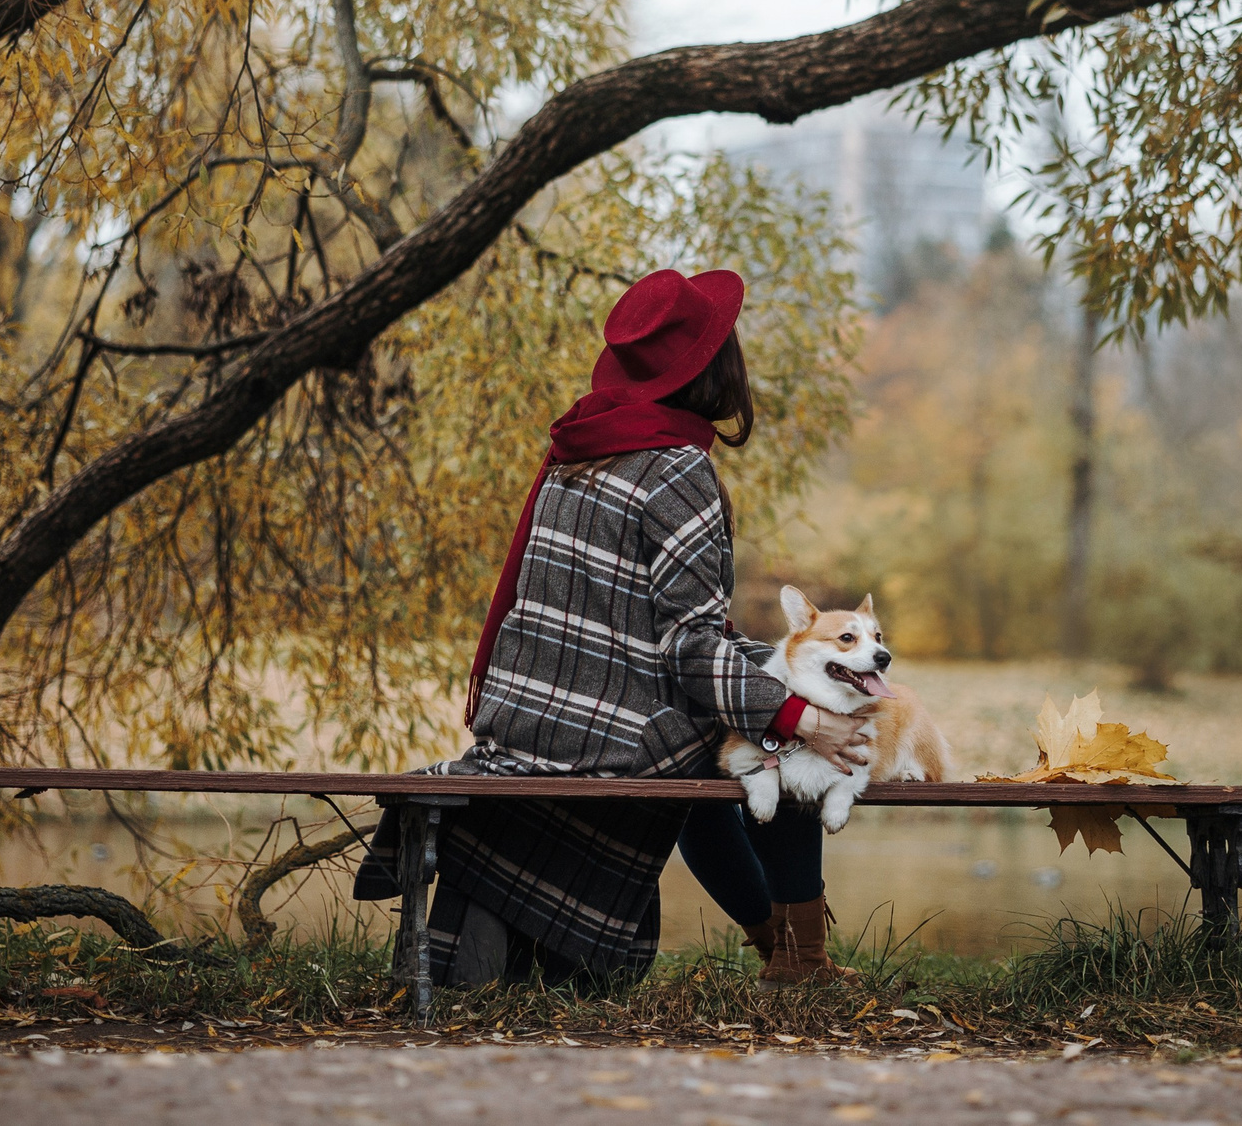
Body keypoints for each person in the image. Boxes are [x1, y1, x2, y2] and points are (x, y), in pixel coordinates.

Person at [353, 268, 872, 988]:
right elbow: (690, 647)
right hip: (611, 739)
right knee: (784, 724)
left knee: (740, 720)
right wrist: (802, 717)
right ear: (714, 367)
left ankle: (779, 948)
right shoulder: (676, 469)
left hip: (528, 720)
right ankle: (800, 959)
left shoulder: (580, 450)